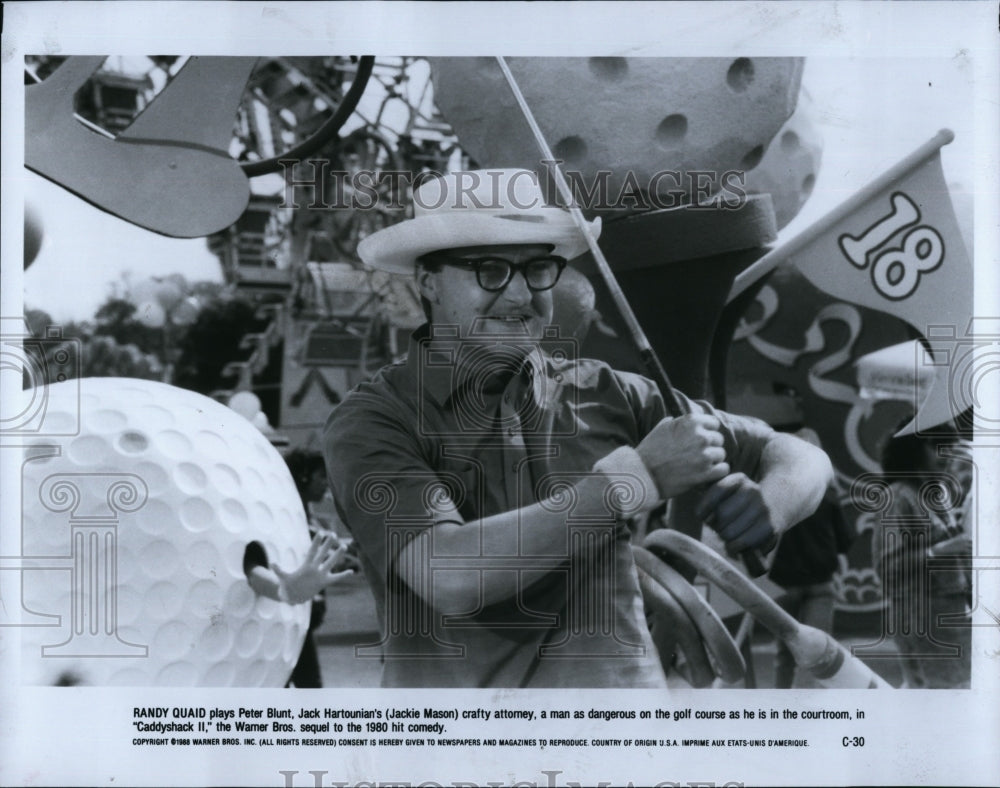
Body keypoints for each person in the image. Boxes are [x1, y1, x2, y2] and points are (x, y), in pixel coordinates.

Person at [322, 169, 833, 688]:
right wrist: (635, 479)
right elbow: (451, 575)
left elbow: (796, 453)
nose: (521, 295)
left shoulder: (610, 391)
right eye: (490, 269)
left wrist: (773, 504)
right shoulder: (372, 420)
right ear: (428, 281)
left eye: (539, 267)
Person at [876, 427, 972, 688]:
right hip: (919, 616)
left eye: (950, 445)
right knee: (937, 700)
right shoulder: (896, 496)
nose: (947, 453)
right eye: (937, 445)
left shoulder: (937, 495)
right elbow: (887, 566)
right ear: (913, 449)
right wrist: (940, 550)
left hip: (950, 614)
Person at [768, 427, 855, 688]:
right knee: (816, 655)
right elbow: (845, 541)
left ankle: (781, 709)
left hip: (782, 583)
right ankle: (805, 711)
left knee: (784, 654)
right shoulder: (827, 494)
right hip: (820, 582)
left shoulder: (774, 490)